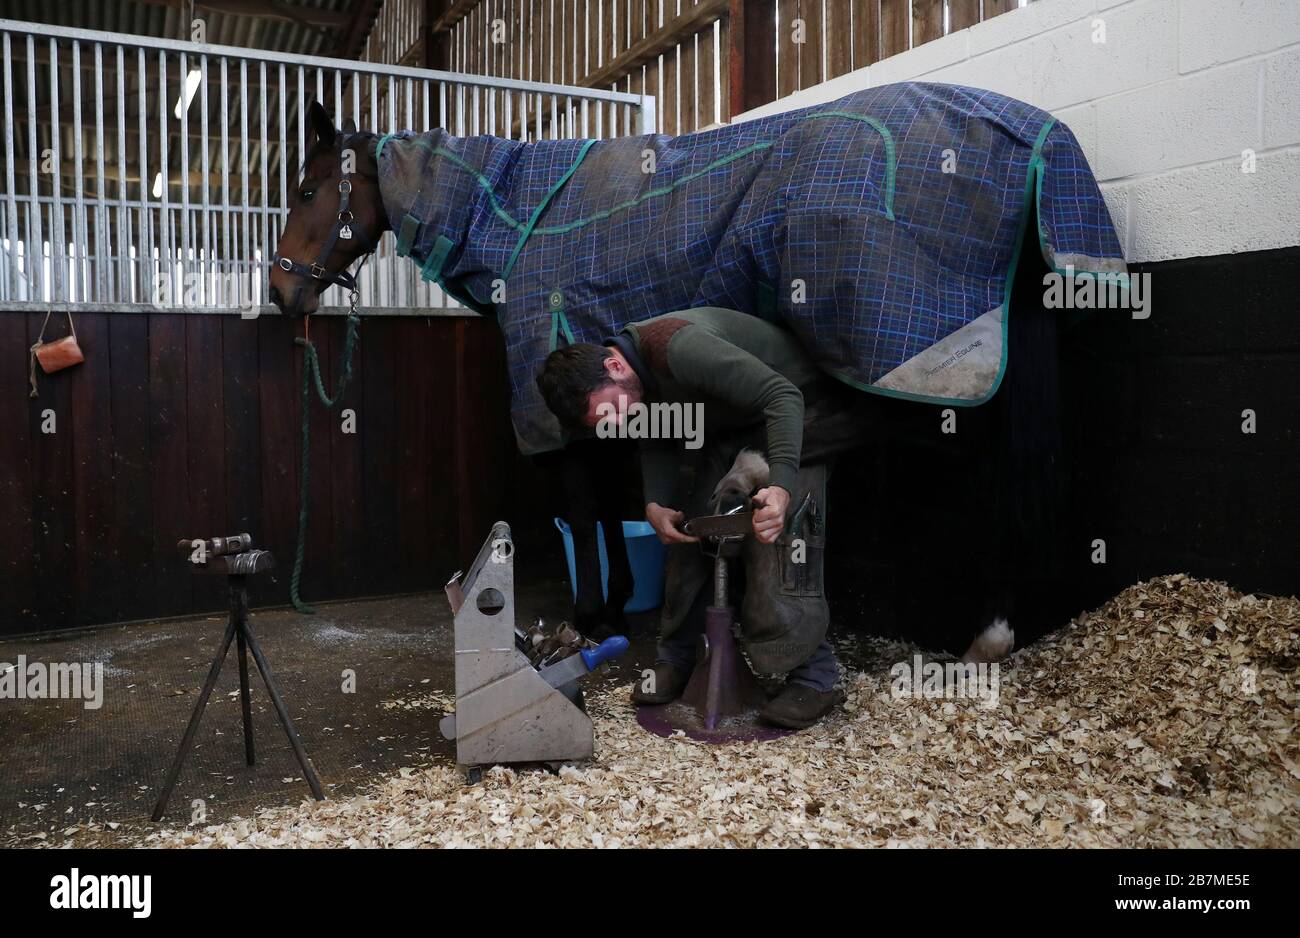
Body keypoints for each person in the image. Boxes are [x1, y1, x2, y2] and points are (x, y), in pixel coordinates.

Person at [537, 307, 871, 729]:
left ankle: (815, 675)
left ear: (615, 365)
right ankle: (680, 656)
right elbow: (654, 435)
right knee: (690, 527)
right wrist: (656, 502)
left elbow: (783, 396)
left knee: (774, 531)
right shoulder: (633, 381)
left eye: (612, 413)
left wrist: (782, 485)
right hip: (734, 427)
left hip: (803, 413)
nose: (617, 425)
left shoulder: (678, 347)